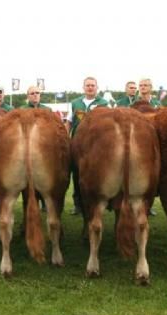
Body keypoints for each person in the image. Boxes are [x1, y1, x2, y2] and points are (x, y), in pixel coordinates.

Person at [66, 77, 109, 215]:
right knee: (77, 174)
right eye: (88, 85)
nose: (90, 87)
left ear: (97, 87)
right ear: (83, 87)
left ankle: (98, 202)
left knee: (98, 174)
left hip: (97, 145)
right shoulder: (74, 103)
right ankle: (78, 204)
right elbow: (69, 122)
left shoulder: (105, 103)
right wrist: (66, 138)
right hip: (78, 145)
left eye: (93, 85)